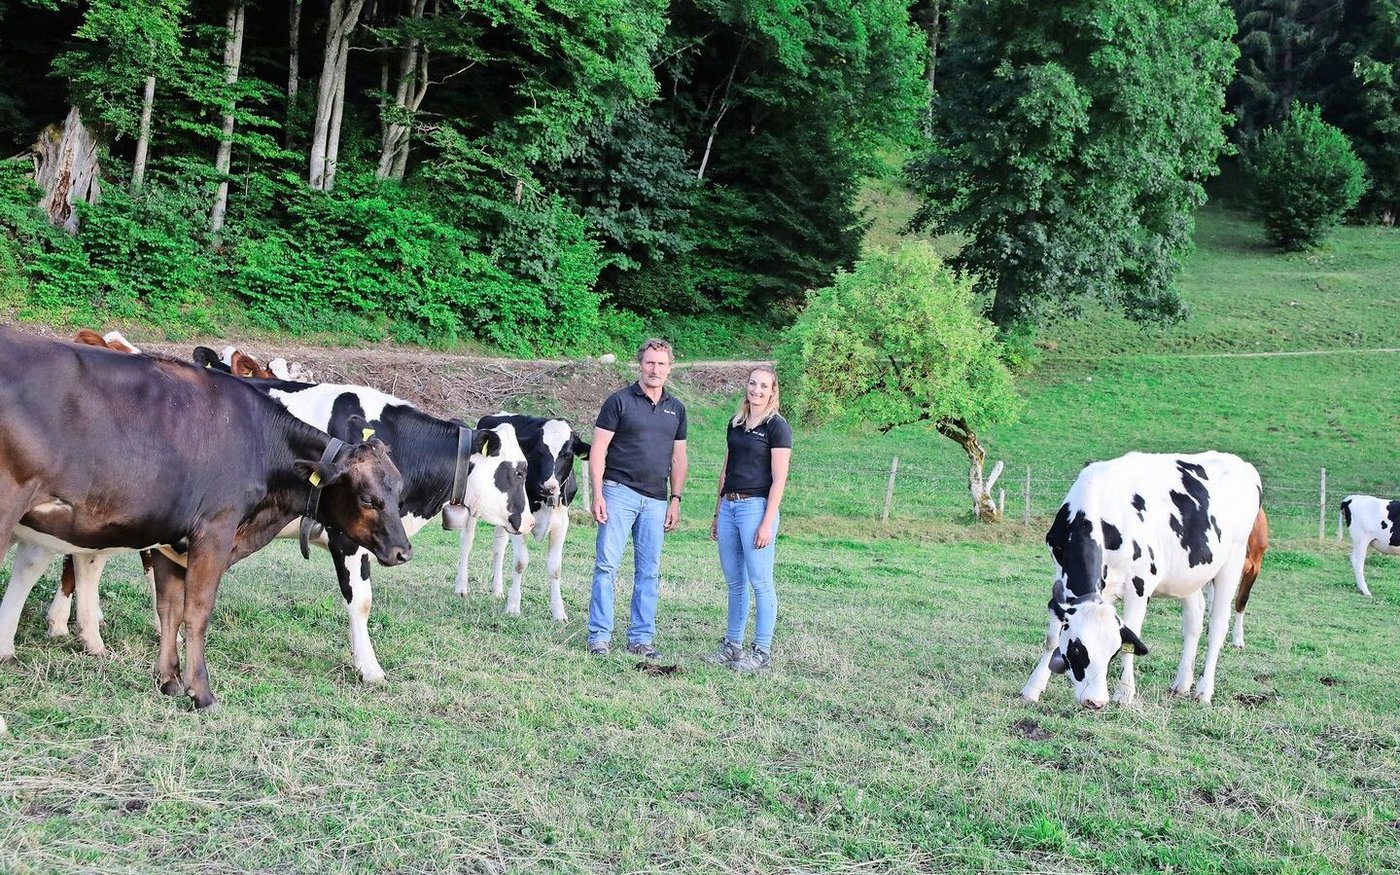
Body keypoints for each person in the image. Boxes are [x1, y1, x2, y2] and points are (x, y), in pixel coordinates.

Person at [586, 338, 688, 658]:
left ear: (669, 368)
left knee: (649, 571)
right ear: (639, 364)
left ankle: (641, 639)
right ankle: (599, 637)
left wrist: (676, 498)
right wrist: (598, 493)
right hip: (618, 492)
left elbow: (679, 456)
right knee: (607, 565)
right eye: (649, 362)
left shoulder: (676, 409)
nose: (655, 369)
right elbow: (598, 449)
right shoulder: (618, 402)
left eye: (661, 364)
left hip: (657, 500)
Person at [706, 366, 791, 672]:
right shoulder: (736, 423)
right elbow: (725, 470)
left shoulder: (777, 427)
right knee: (735, 582)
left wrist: (767, 522)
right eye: (753, 384)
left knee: (760, 581)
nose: (756, 390)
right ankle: (732, 646)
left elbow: (779, 479)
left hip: (756, 508)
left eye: (763, 386)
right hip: (729, 507)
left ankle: (762, 652)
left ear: (772, 391)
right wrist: (717, 513)